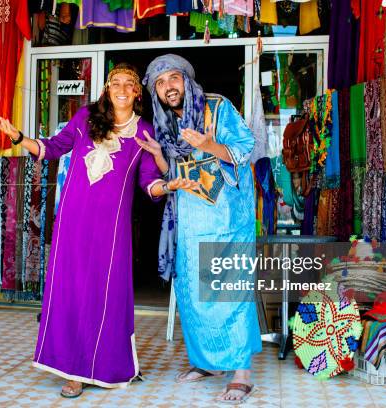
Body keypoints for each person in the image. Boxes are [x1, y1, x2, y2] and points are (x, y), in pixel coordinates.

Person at [0, 63, 197, 398]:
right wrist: (18, 137)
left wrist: (168, 185)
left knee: (104, 295)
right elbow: (52, 147)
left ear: (137, 93)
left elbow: (147, 182)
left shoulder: (143, 131)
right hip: (72, 222)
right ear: (106, 89)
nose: (123, 89)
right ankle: (72, 370)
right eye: (116, 83)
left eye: (130, 84)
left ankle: (101, 364)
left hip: (111, 231)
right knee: (70, 291)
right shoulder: (85, 118)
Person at [139, 54, 262, 404]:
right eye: (160, 84)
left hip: (227, 218)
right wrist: (159, 156)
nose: (168, 88)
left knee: (228, 292)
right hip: (190, 218)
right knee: (193, 293)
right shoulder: (165, 122)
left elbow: (245, 147)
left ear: (187, 80)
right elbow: (175, 171)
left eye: (173, 79)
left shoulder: (217, 107)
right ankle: (207, 362)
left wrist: (209, 145)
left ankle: (241, 373)